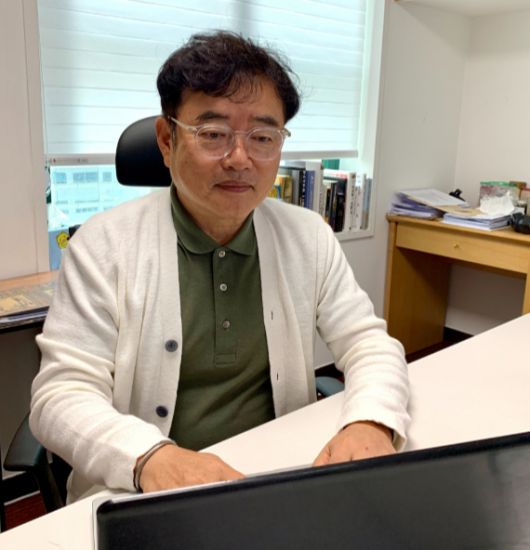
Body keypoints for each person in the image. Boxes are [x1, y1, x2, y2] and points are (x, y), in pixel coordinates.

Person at [30, 31, 410, 502]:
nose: (240, 159)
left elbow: (369, 343)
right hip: (142, 489)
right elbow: (61, 394)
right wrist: (150, 457)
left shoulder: (308, 236)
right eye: (213, 134)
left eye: (263, 137)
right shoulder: (103, 245)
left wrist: (370, 420)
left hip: (278, 475)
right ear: (167, 141)